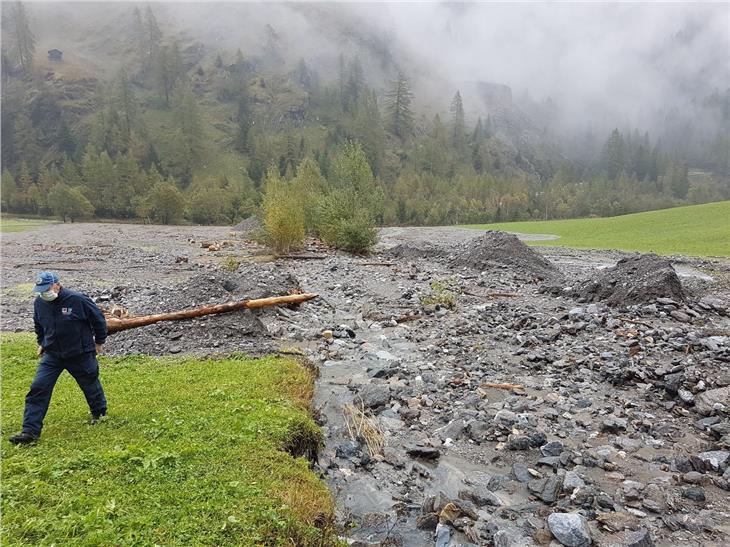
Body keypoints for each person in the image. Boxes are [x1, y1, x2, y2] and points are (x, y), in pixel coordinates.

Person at [9, 271, 108, 445]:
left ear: (57, 284)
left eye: (46, 288)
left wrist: (99, 342)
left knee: (90, 383)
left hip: (79, 353)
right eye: (40, 289)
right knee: (38, 387)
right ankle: (29, 431)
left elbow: (99, 320)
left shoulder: (77, 299)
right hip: (53, 354)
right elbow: (38, 324)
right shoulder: (40, 302)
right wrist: (41, 342)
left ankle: (99, 413)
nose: (43, 292)